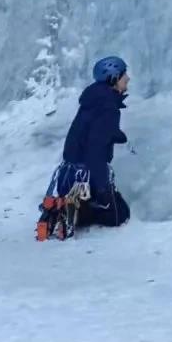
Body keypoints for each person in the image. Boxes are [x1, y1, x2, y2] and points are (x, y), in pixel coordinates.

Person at [36, 55, 132, 239]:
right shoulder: (108, 108)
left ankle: (57, 207)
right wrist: (103, 189)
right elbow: (95, 151)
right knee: (119, 215)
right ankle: (72, 211)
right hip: (87, 174)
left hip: (67, 172)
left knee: (103, 203)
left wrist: (115, 134)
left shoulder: (94, 98)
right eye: (123, 75)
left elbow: (88, 131)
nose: (127, 78)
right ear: (112, 79)